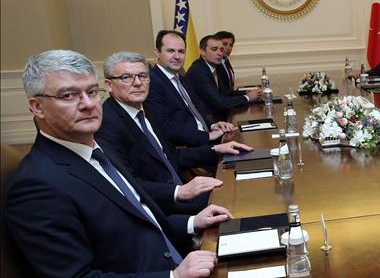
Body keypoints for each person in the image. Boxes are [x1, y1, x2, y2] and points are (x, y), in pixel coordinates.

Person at [5, 50, 232, 278]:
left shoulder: (97, 149)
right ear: (36, 106)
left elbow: (137, 223)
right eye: (69, 95)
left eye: (91, 91)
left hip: (175, 274)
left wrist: (191, 223)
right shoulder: (38, 185)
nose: (87, 104)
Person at [97, 51, 253, 214]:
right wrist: (179, 191)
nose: (137, 83)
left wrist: (215, 150)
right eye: (126, 77)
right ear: (109, 85)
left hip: (179, 189)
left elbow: (172, 156)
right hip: (160, 207)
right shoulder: (107, 123)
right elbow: (127, 185)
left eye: (142, 76)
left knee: (244, 187)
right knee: (239, 201)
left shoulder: (146, 110)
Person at [146, 30, 236, 147]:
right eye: (171, 51)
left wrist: (213, 125)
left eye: (181, 51)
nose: (177, 56)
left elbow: (197, 111)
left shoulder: (182, 79)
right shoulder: (152, 82)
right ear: (157, 53)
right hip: (189, 147)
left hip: (205, 138)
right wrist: (207, 136)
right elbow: (165, 128)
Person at [186, 34, 260, 121]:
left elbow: (225, 92)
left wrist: (247, 92)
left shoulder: (213, 66)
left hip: (216, 115)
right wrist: (247, 97)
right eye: (214, 49)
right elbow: (220, 102)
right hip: (207, 120)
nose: (219, 53)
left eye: (221, 49)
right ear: (203, 51)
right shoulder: (199, 71)